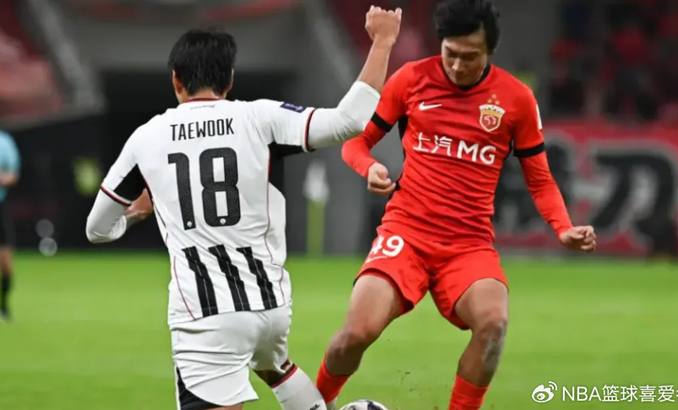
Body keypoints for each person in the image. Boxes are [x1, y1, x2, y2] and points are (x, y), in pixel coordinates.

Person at [85, 10, 402, 410]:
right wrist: (383, 43)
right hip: (269, 305)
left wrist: (137, 214)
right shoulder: (258, 117)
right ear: (230, 80)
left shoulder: (146, 139)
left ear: (176, 81)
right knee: (275, 366)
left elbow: (97, 228)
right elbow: (348, 121)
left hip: (206, 315)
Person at [315, 1, 597, 410]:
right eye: (450, 53)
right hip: (405, 234)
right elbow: (355, 143)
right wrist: (370, 167)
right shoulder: (411, 79)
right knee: (357, 333)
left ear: (490, 52)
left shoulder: (516, 99)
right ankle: (313, 404)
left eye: (470, 56)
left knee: (494, 324)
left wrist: (563, 228)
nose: (458, 65)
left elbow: (540, 179)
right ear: (440, 44)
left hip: (468, 245)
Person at [0, 129, 20, 321]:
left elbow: (13, 174)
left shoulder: (5, 142)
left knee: (5, 262)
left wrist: (3, 179)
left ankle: (4, 305)